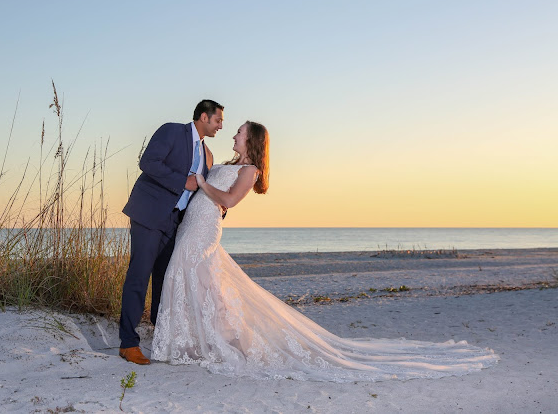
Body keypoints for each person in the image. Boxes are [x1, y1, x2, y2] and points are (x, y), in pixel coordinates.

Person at [151, 121, 499, 382]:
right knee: (200, 284)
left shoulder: (250, 170)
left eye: (239, 132)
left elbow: (227, 201)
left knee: (203, 282)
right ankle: (200, 339)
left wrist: (202, 183)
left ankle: (225, 341)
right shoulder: (227, 161)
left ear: (252, 139)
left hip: (204, 230)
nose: (234, 134)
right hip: (191, 225)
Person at [119, 100, 224, 364]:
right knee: (139, 276)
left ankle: (160, 334)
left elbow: (201, 190)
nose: (221, 126)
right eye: (218, 120)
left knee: (165, 282)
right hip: (150, 214)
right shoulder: (171, 131)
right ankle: (128, 344)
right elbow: (148, 162)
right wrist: (182, 181)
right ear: (203, 116)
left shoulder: (208, 154)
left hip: (176, 222)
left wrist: (219, 208)